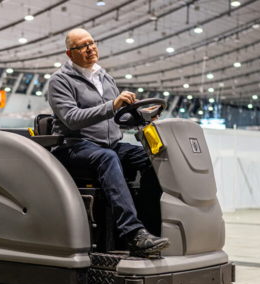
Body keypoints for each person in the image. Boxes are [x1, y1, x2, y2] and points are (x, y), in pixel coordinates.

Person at [47, 28, 170, 255]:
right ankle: (133, 234)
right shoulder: (59, 81)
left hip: (109, 145)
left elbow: (116, 119)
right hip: (75, 146)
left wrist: (143, 115)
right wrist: (112, 105)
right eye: (82, 46)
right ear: (69, 53)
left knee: (152, 158)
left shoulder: (105, 77)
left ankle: (150, 230)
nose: (90, 48)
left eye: (91, 43)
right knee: (108, 157)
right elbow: (72, 120)